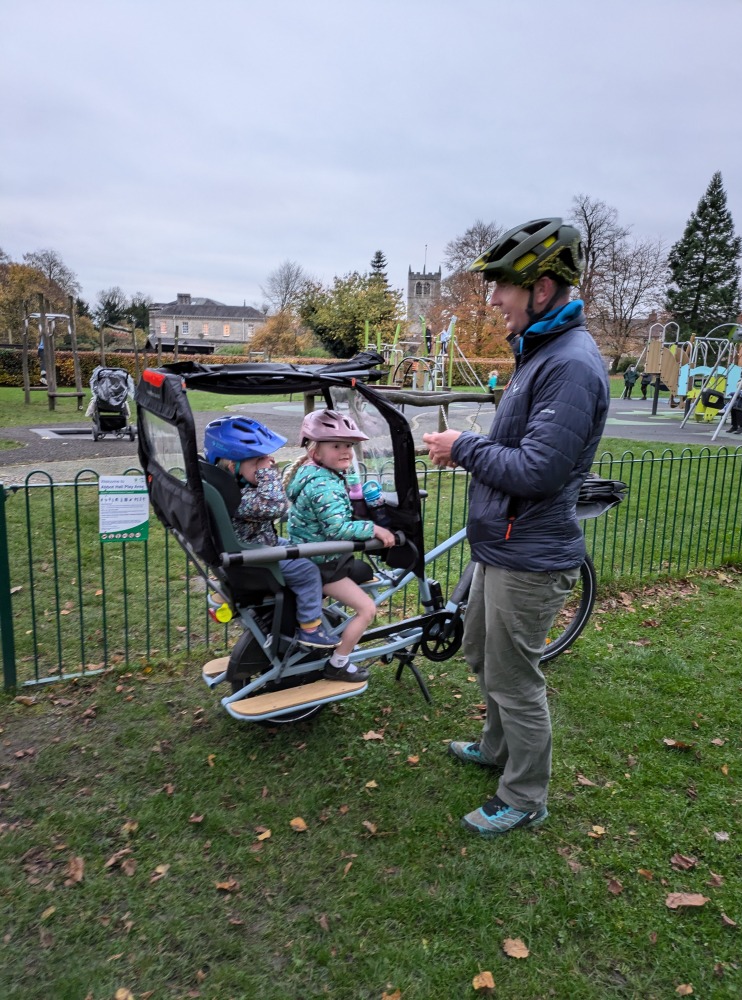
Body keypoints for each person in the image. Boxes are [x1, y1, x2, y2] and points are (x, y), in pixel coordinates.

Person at [423, 218, 609, 837]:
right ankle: (496, 748)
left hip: (529, 556)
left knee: (515, 678)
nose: (493, 300)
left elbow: (539, 469)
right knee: (482, 654)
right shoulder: (540, 353)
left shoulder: (571, 365)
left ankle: (525, 796)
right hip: (501, 547)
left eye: (502, 286)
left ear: (544, 288)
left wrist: (464, 446)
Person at [203, 416, 340, 651]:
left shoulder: (227, 488)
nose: (268, 463)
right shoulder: (239, 499)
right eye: (259, 460)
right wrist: (268, 475)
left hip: (254, 544)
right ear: (231, 466)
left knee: (302, 548)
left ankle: (227, 593)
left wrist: (260, 468)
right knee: (307, 571)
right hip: (254, 556)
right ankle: (311, 628)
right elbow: (276, 505)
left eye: (267, 458)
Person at [284, 409, 396, 683]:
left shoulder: (312, 473)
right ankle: (339, 663)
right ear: (316, 452)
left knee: (361, 573)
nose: (346, 451)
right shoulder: (324, 485)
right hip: (323, 562)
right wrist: (374, 528)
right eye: (336, 445)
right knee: (367, 609)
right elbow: (338, 529)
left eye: (348, 445)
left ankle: (334, 631)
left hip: (317, 555)